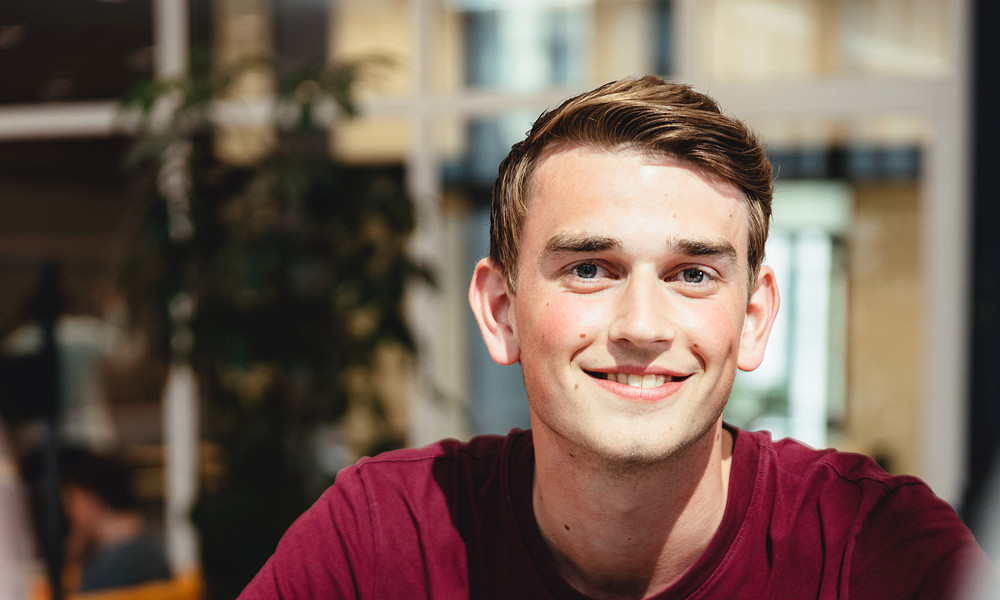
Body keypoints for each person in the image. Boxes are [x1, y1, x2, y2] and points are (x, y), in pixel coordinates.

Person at [238, 76, 992, 599]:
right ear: (501, 310)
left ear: (755, 319)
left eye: (693, 275)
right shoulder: (381, 538)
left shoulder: (878, 552)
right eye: (590, 268)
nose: (641, 326)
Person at [57, 446, 171, 592]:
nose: (68, 511)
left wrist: (78, 566)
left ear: (90, 500)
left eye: (71, 500)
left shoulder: (107, 570)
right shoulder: (155, 547)